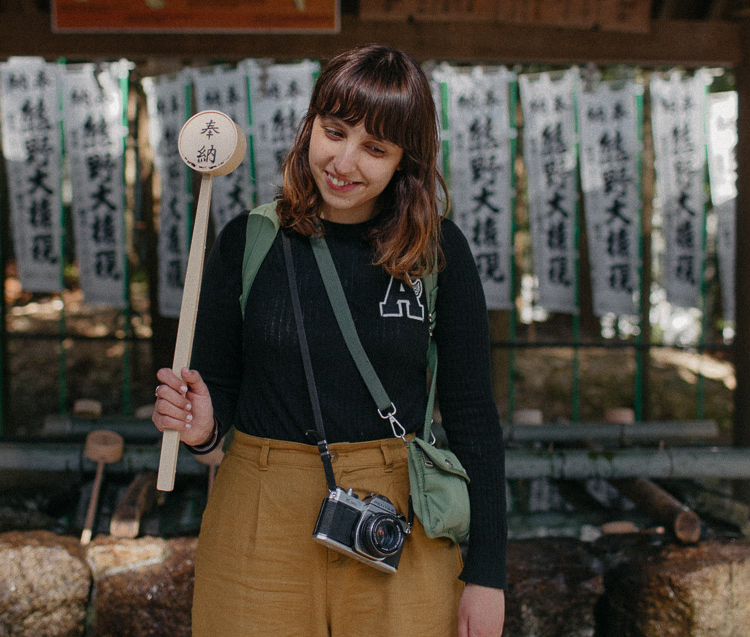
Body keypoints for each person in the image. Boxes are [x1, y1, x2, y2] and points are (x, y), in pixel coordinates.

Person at [152, 44, 506, 636]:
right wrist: (201, 424)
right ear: (309, 125)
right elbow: (217, 408)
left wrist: (488, 576)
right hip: (261, 510)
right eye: (334, 131)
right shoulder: (250, 241)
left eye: (375, 148)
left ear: (404, 160)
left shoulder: (437, 251)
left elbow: (473, 416)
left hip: (398, 512)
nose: (344, 162)